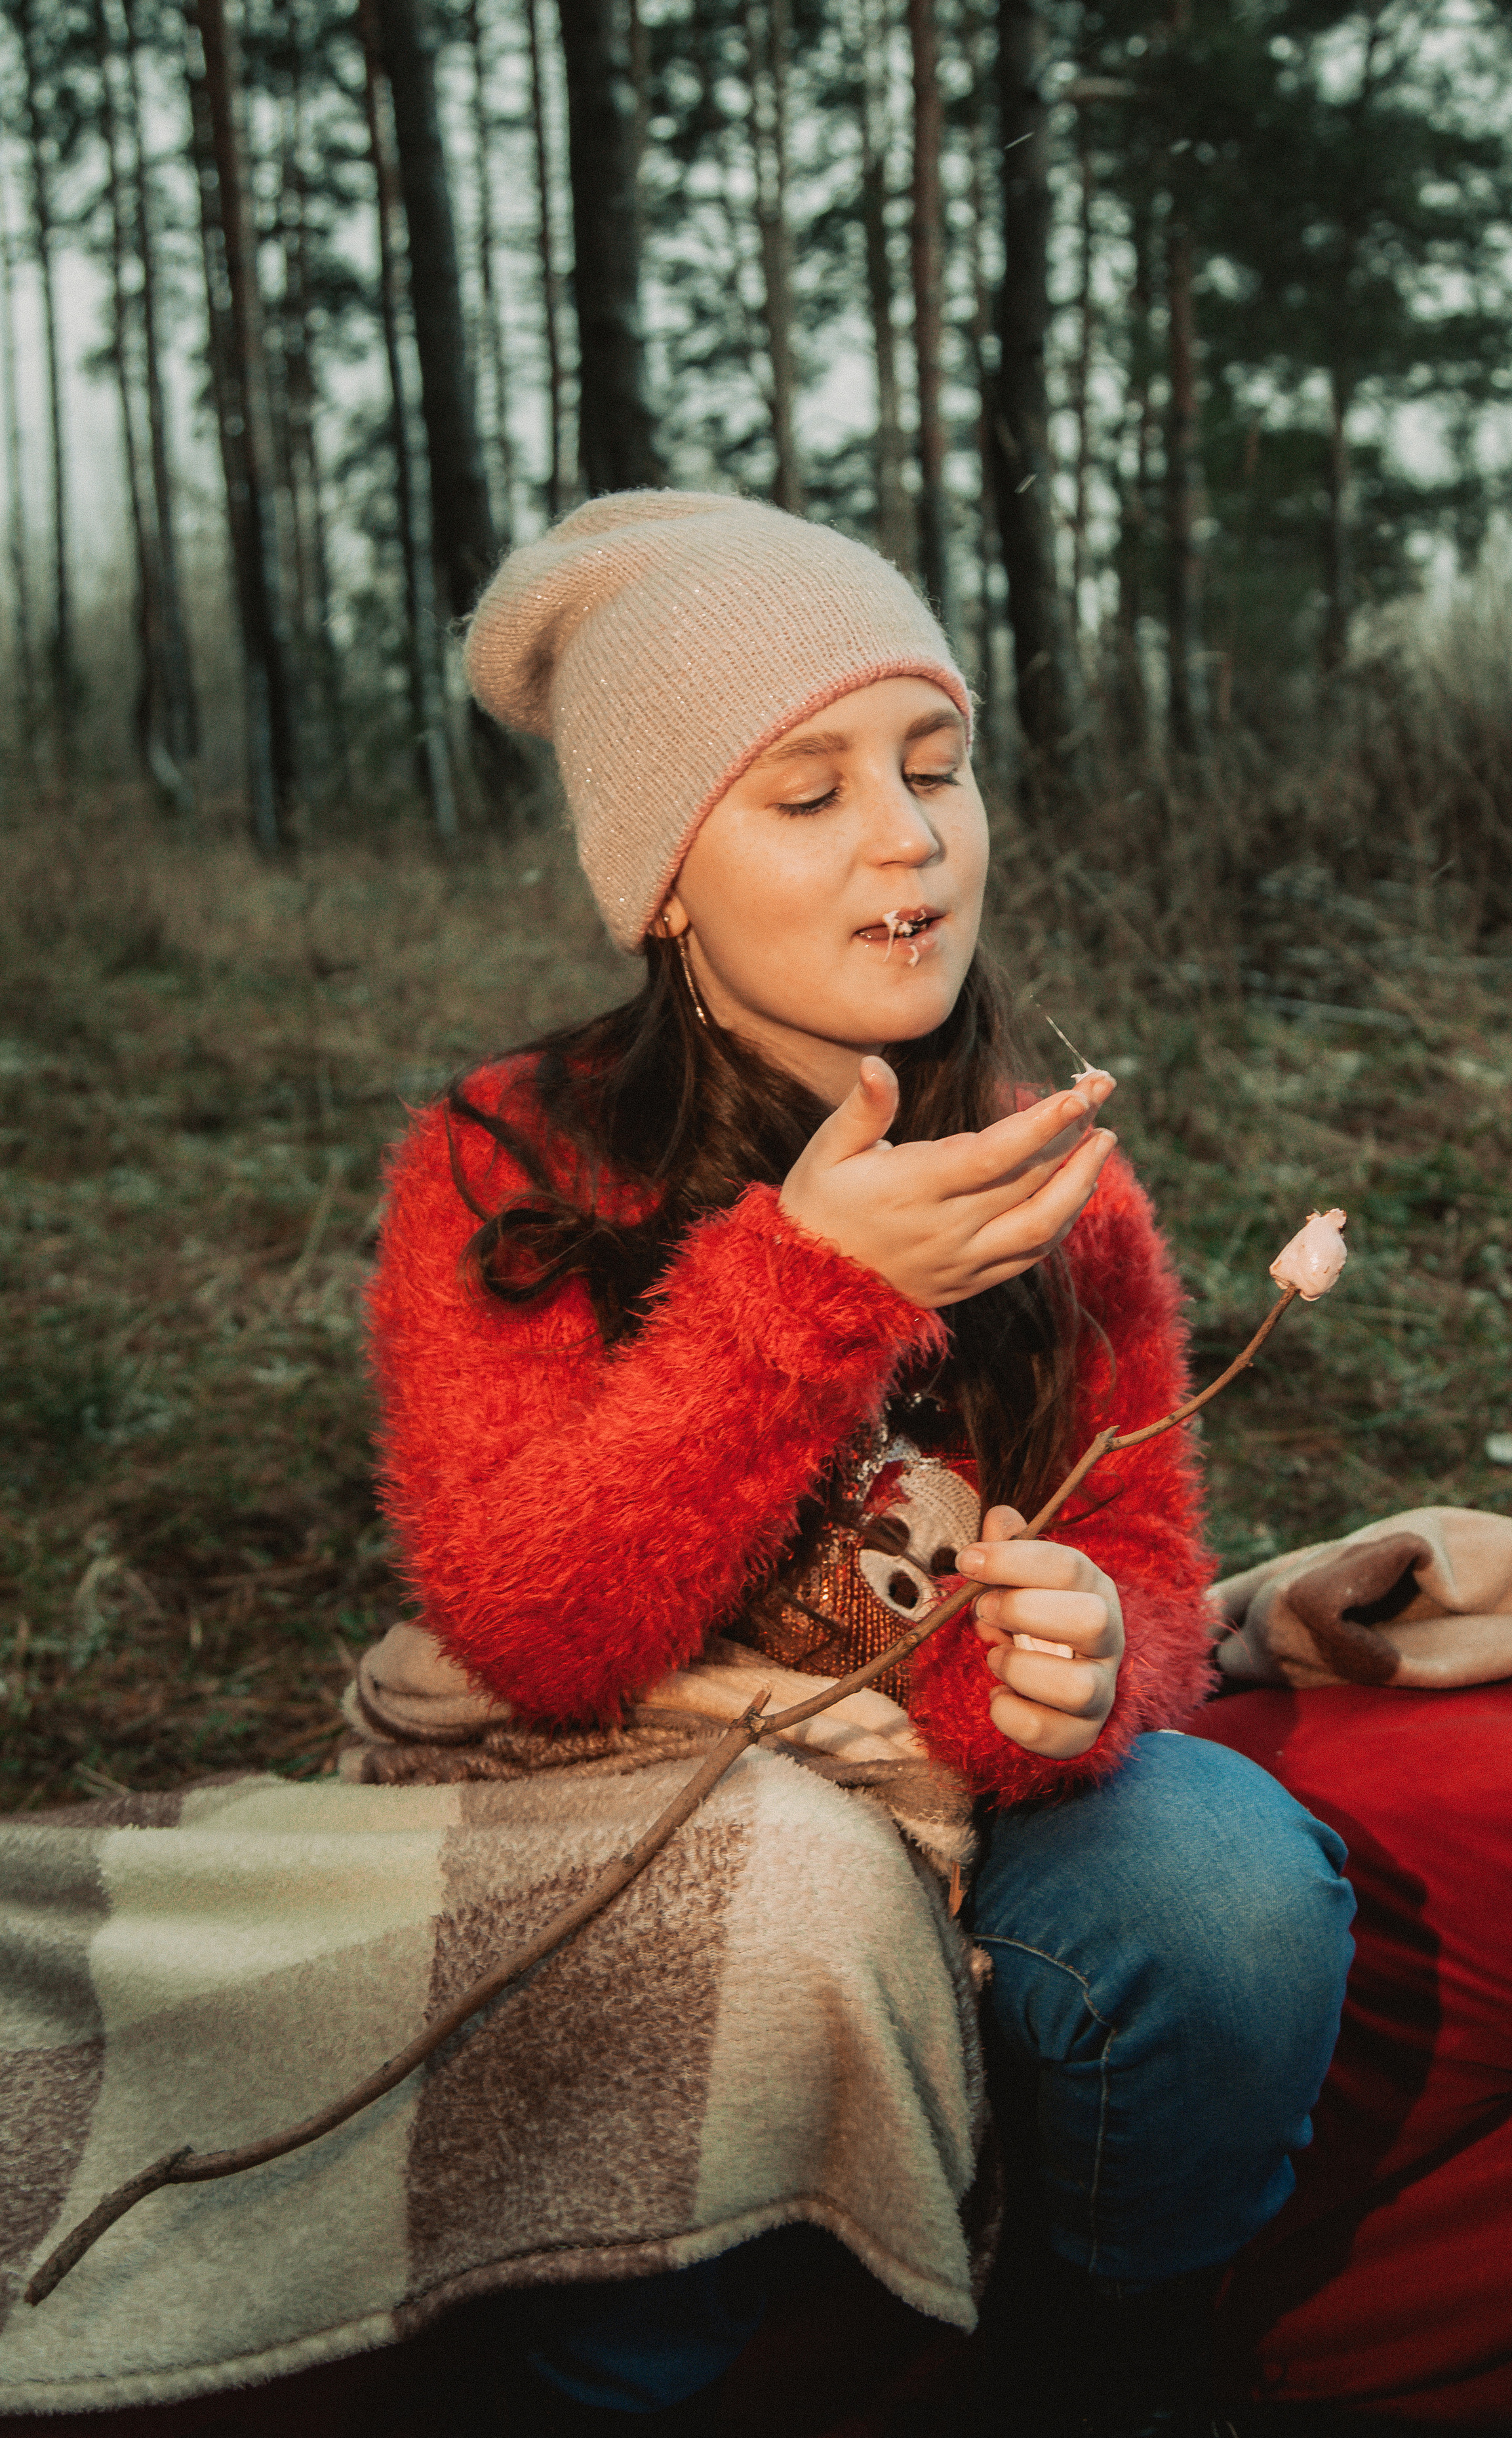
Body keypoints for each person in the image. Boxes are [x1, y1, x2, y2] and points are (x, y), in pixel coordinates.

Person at [367, 492, 1355, 2437]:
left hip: (975, 1815)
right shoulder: (504, 1166)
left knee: (1233, 1889)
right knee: (747, 1935)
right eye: (806, 792)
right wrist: (814, 1291)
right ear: (663, 879)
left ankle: (1102, 2357)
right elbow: (535, 1629)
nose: (909, 835)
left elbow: (1147, 1565)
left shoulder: (1061, 1181)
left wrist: (1085, 1657)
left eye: (935, 766)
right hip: (643, 1809)